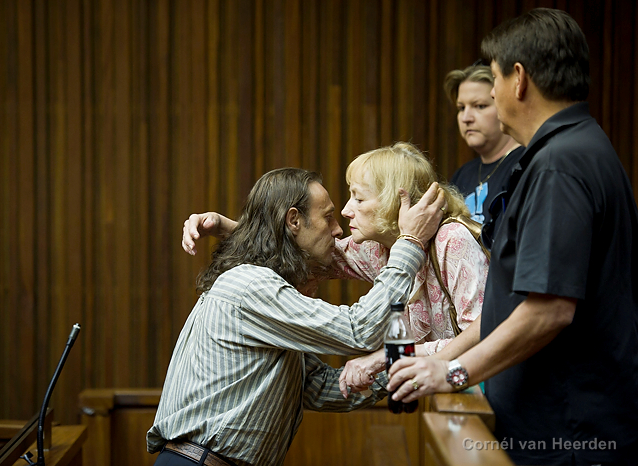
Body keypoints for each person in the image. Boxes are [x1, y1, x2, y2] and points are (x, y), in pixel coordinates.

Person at [387, 8, 638, 466]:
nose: (493, 92)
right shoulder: (580, 146)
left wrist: (453, 372)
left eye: (495, 78)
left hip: (567, 435)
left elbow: (548, 311)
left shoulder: (559, 165)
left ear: (518, 79)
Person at [148, 167, 445, 466]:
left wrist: (404, 368)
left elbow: (320, 387)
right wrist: (410, 243)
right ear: (293, 220)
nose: (338, 230)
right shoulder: (250, 285)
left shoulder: (255, 288)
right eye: (328, 217)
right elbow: (358, 330)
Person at [181, 143, 490, 396]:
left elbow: (486, 329)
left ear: (394, 203)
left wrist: (386, 357)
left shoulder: (450, 239)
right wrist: (228, 228)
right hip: (444, 389)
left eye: (359, 198)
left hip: (482, 383)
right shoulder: (375, 248)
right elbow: (299, 249)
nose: (346, 210)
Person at [444, 63, 523, 236]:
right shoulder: (462, 174)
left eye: (479, 106)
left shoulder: (525, 164)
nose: (466, 118)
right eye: (461, 108)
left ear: (503, 105)